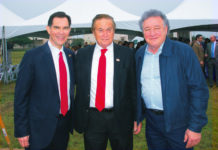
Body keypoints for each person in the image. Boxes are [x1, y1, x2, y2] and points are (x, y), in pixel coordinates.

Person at [135, 9, 209, 150]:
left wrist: (195, 126)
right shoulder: (139, 54)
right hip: (152, 124)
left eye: (157, 28)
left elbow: (198, 90)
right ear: (142, 32)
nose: (152, 33)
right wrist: (138, 116)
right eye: (147, 29)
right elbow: (137, 89)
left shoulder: (184, 52)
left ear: (166, 29)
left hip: (179, 124)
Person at [74, 14, 137, 150]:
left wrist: (137, 116)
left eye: (109, 29)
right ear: (93, 32)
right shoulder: (82, 55)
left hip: (120, 117)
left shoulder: (127, 54)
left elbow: (133, 88)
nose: (105, 34)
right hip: (92, 118)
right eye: (100, 30)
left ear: (114, 31)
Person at [14, 11, 75, 150]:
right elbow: (21, 96)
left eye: (65, 28)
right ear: (48, 29)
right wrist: (22, 130)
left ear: (69, 30)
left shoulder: (70, 55)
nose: (61, 32)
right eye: (56, 27)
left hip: (63, 125)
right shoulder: (32, 57)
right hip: (38, 129)